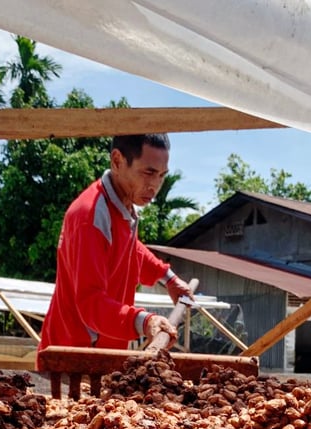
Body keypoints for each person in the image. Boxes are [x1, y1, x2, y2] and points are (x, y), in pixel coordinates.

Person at [36, 133, 193, 369]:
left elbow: (130, 251)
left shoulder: (122, 207)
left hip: (102, 355)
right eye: (148, 173)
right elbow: (91, 303)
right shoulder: (90, 216)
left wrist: (168, 278)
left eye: (161, 176)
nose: (154, 186)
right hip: (73, 360)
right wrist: (145, 321)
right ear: (117, 161)